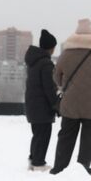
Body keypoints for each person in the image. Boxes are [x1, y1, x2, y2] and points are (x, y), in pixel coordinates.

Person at [51, 19, 91, 175]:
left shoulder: (66, 54)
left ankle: (60, 167)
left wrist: (68, 84)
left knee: (66, 136)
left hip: (71, 103)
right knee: (88, 138)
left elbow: (56, 77)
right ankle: (82, 167)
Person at [23, 29, 59, 171]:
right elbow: (49, 88)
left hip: (33, 105)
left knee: (37, 134)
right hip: (42, 107)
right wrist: (56, 104)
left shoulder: (34, 62)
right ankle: (38, 162)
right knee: (43, 134)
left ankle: (33, 159)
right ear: (51, 48)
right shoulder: (46, 64)